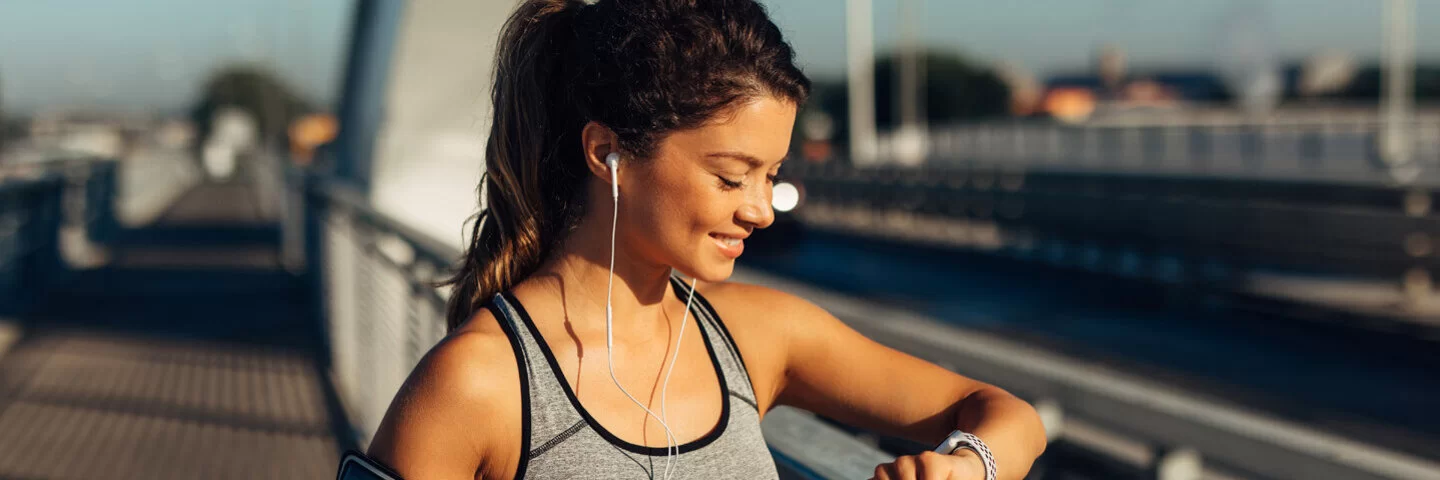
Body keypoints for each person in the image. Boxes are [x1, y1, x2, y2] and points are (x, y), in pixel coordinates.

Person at [365, 1, 1047, 479]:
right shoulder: (479, 382)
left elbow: (1009, 416)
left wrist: (968, 465)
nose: (761, 210)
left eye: (771, 175)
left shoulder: (759, 335)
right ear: (608, 153)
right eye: (731, 177)